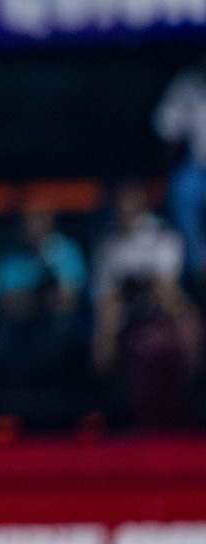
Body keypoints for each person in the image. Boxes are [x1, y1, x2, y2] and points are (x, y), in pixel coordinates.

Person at [92, 181, 202, 427]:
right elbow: (106, 297)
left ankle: (190, 404)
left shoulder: (163, 233)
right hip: (127, 319)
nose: (123, 207)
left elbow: (167, 287)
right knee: (117, 333)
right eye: (119, 201)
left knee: (187, 329)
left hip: (166, 314)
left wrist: (137, 284)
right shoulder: (107, 243)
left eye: (129, 200)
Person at [0, 207, 87, 391]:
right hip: (18, 333)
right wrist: (42, 300)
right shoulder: (8, 256)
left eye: (41, 218)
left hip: (57, 330)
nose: (36, 225)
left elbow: (68, 300)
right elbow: (5, 304)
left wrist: (31, 299)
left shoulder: (67, 250)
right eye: (30, 220)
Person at [153, 52, 206, 279]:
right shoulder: (188, 83)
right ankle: (199, 267)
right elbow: (166, 127)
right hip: (197, 165)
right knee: (181, 192)